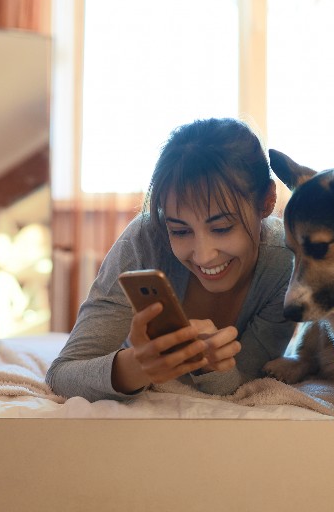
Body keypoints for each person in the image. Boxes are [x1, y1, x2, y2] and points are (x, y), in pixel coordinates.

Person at [46, 118, 296, 401]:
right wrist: (138, 366)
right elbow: (62, 375)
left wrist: (210, 367)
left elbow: (243, 382)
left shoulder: (285, 264)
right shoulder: (144, 241)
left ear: (267, 202)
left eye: (222, 227)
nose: (203, 255)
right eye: (179, 230)